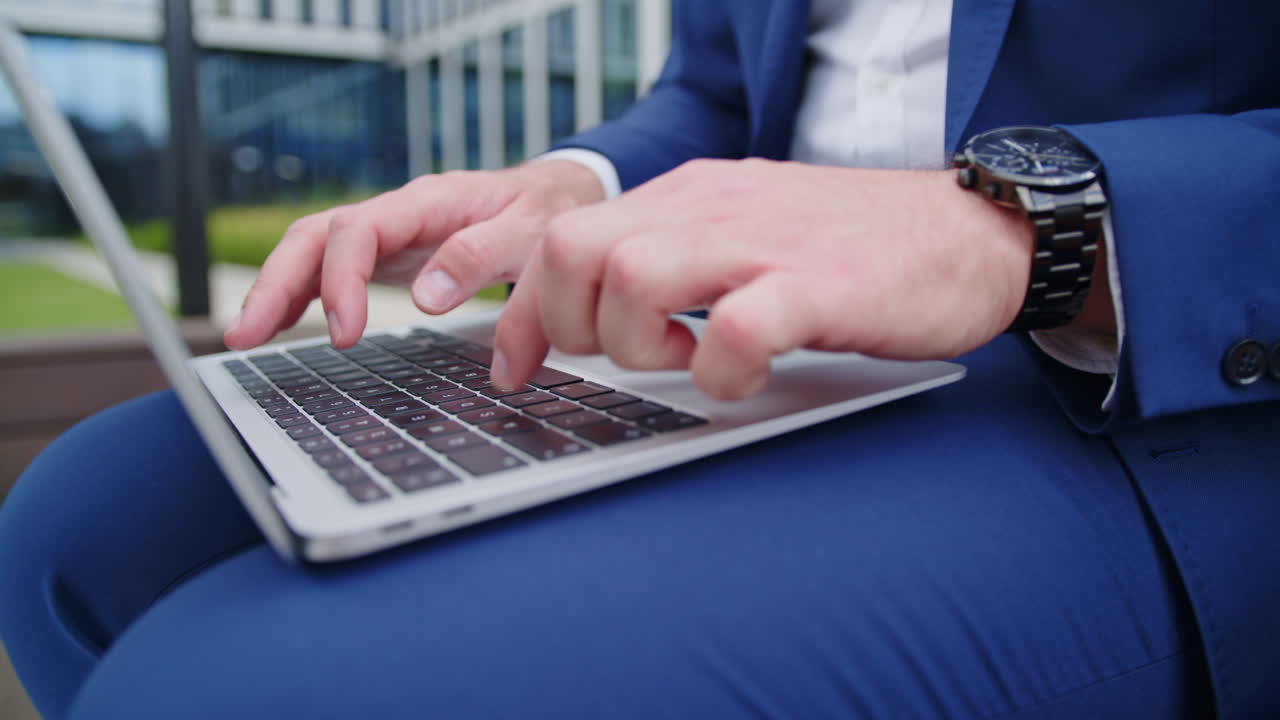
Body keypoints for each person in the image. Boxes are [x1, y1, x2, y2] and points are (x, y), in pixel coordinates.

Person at [3, 0, 1278, 717]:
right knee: (82, 530)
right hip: (736, 335)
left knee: (222, 694)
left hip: (1137, 373)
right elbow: (711, 96)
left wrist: (1017, 231)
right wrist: (570, 183)